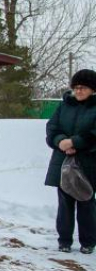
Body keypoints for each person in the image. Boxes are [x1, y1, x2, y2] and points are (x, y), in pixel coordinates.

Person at [44, 69, 96, 254]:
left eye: (83, 87)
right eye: (76, 87)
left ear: (92, 89)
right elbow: (52, 127)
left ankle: (88, 241)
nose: (79, 91)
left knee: (86, 201)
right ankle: (64, 240)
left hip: (88, 162)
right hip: (64, 160)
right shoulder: (65, 105)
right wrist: (61, 142)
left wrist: (76, 142)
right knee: (64, 201)